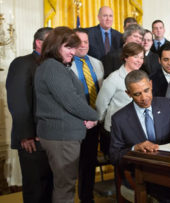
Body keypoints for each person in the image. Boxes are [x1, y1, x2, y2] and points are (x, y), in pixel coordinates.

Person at [110, 70, 170, 202]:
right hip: (143, 175)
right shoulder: (119, 119)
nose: (144, 98)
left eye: (146, 90)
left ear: (151, 85)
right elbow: (114, 156)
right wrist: (135, 148)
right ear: (128, 94)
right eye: (137, 94)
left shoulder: (166, 105)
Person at [34, 26, 99, 203]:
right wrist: (95, 116)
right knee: (65, 187)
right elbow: (71, 101)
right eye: (68, 47)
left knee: (65, 185)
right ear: (55, 46)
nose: (73, 51)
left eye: (74, 47)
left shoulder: (55, 66)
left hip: (63, 135)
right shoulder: (52, 68)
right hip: (61, 137)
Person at [6, 27, 53, 203]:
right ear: (39, 43)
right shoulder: (23, 63)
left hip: (50, 138)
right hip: (31, 141)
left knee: (50, 188)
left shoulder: (53, 65)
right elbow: (18, 102)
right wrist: (26, 136)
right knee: (36, 191)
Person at [70, 28, 104, 203]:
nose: (83, 45)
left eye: (86, 42)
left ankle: (86, 197)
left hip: (94, 121)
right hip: (74, 122)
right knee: (72, 165)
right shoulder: (65, 64)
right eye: (79, 42)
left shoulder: (97, 63)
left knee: (88, 163)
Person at [95, 42, 145, 156]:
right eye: (136, 57)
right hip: (115, 130)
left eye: (142, 57)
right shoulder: (114, 78)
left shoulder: (142, 76)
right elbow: (101, 104)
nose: (139, 60)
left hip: (135, 128)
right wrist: (102, 121)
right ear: (126, 57)